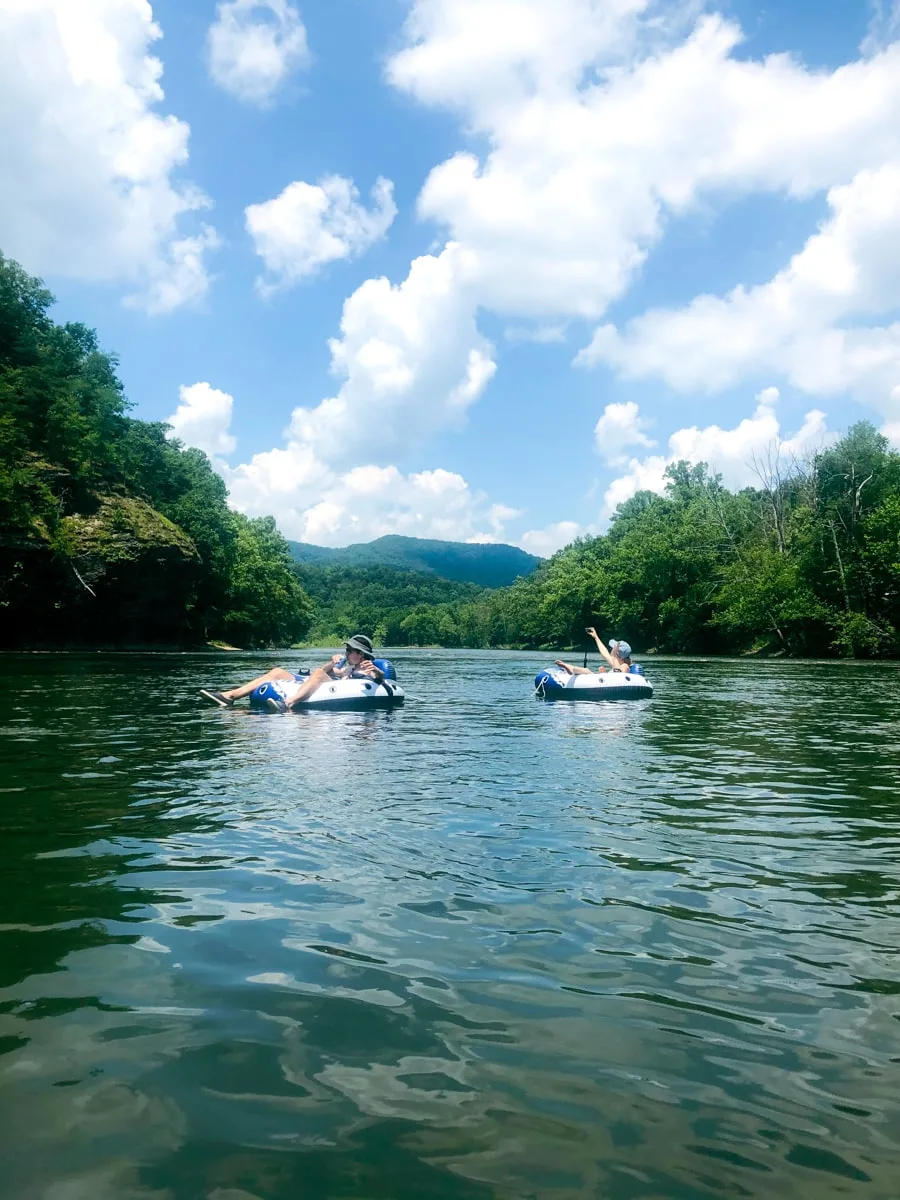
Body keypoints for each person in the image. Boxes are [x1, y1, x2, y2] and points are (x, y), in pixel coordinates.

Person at [200, 634, 385, 710]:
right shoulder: (345, 662)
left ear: (361, 654)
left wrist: (377, 673)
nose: (348, 652)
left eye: (352, 651)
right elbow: (324, 671)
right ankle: (229, 696)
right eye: (348, 650)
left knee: (319, 675)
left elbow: (378, 678)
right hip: (322, 682)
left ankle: (287, 704)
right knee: (277, 671)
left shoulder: (367, 667)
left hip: (334, 688)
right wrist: (331, 663)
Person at [555, 627, 635, 675]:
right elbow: (604, 652)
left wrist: (613, 656)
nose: (610, 650)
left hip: (611, 686)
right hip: (605, 682)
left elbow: (619, 676)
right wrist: (596, 637)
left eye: (612, 649)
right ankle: (570, 669)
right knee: (586, 670)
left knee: (589, 671)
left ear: (617, 654)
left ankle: (571, 669)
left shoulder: (624, 666)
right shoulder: (616, 662)